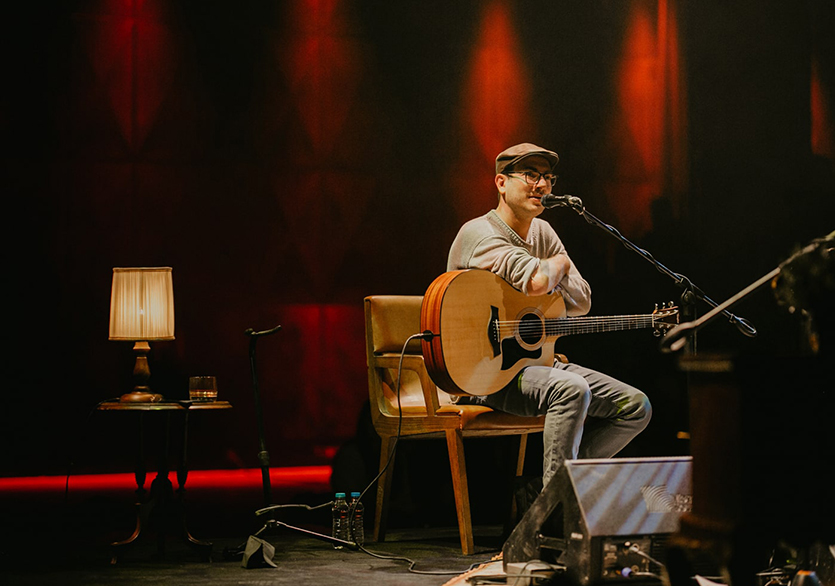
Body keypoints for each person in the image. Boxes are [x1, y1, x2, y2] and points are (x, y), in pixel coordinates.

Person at [447, 143, 652, 489]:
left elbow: (582, 301)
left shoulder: (543, 232)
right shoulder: (478, 233)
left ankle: (559, 489)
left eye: (548, 178)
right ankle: (552, 511)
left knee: (636, 406)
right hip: (480, 373)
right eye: (530, 175)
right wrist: (559, 264)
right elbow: (538, 281)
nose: (541, 186)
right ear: (501, 183)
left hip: (533, 365)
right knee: (572, 389)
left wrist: (550, 273)